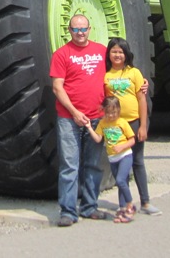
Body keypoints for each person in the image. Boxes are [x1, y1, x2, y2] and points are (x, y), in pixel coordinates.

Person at [50, 13, 110, 227]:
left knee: (93, 165)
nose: (80, 33)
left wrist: (140, 86)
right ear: (69, 30)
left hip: (97, 118)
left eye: (83, 28)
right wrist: (75, 112)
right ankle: (68, 211)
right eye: (76, 29)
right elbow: (57, 87)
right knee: (69, 166)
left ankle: (90, 207)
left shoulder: (101, 52)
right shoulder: (61, 55)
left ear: (89, 29)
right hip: (69, 119)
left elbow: (114, 78)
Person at [104, 36, 161, 216]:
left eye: (120, 51)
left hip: (134, 122)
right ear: (109, 54)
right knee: (121, 164)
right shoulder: (106, 76)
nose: (117, 55)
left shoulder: (134, 73)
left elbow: (141, 99)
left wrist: (143, 125)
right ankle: (124, 204)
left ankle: (145, 202)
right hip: (117, 126)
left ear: (126, 54)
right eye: (114, 51)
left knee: (137, 161)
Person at [86, 95, 137, 223]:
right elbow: (98, 139)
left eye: (113, 112)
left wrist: (122, 147)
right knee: (121, 182)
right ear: (104, 111)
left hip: (125, 155)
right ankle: (122, 208)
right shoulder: (103, 123)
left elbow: (132, 140)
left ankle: (130, 205)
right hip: (113, 159)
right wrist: (88, 127)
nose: (111, 115)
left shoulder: (122, 122)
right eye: (108, 113)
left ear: (118, 111)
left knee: (120, 180)